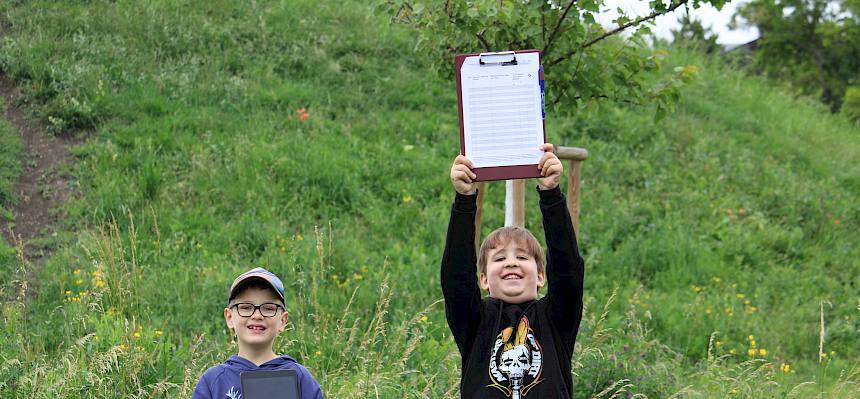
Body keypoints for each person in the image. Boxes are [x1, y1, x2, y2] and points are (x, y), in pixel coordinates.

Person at [442, 144, 585, 398]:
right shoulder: (475, 322)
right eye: (499, 258)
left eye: (522, 257)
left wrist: (551, 195)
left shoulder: (556, 320)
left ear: (541, 276)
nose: (511, 262)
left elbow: (568, 271)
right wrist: (464, 200)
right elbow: (457, 277)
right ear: (483, 279)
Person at [192, 267, 324, 399]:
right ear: (230, 317)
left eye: (268, 308)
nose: (257, 315)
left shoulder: (300, 378)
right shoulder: (213, 381)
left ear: (282, 321)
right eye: (246, 307)